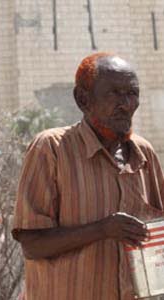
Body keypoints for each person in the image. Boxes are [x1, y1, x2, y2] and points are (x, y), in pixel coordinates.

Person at [12, 52, 164, 300]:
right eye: (113, 93)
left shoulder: (143, 154)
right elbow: (32, 245)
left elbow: (157, 236)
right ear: (83, 99)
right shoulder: (51, 149)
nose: (126, 103)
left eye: (132, 93)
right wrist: (102, 229)